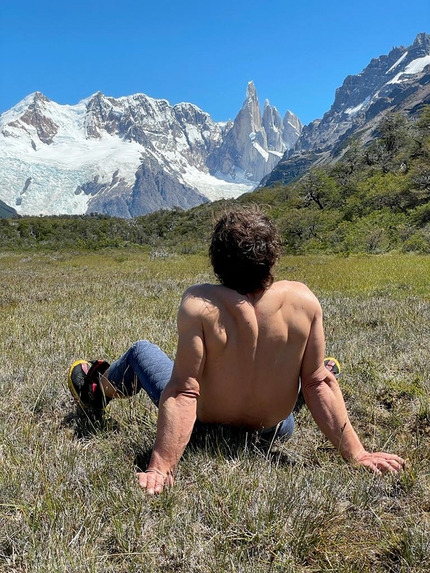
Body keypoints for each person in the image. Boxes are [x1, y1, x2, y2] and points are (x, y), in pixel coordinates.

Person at [68, 206, 404, 495]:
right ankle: (317, 370)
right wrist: (357, 454)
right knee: (316, 374)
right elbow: (318, 384)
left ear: (217, 263)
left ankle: (97, 389)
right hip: (272, 430)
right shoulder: (303, 301)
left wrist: (161, 466)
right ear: (272, 258)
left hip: (202, 427)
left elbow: (185, 390)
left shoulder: (200, 303)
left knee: (142, 351)